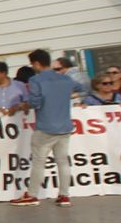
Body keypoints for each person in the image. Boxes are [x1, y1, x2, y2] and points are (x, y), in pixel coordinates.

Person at [10, 49, 88, 207]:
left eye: (32, 64)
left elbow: (35, 102)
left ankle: (32, 195)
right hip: (65, 125)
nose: (32, 67)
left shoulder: (35, 80)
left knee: (39, 162)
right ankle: (64, 195)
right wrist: (71, 96)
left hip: (46, 126)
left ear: (37, 63)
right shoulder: (65, 79)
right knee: (63, 161)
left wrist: (22, 105)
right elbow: (83, 88)